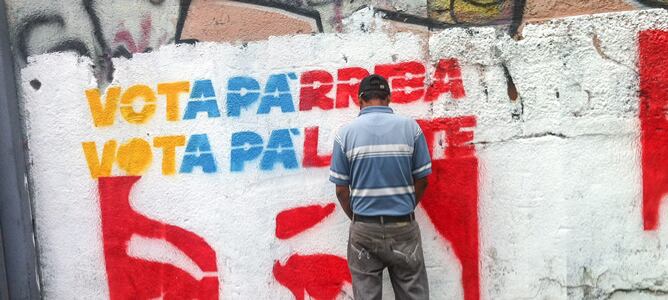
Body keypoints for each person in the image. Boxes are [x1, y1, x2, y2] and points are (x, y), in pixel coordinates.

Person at [329, 74, 432, 299]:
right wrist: (404, 206)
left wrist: (358, 217)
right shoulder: (411, 129)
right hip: (403, 226)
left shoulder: (344, 135)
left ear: (360, 100)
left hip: (364, 228)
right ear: (389, 98)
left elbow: (341, 190)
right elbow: (423, 179)